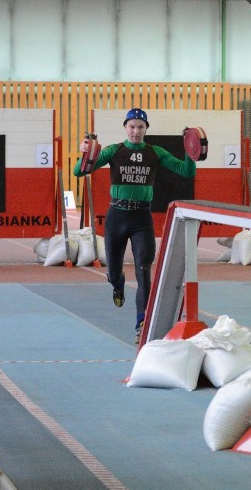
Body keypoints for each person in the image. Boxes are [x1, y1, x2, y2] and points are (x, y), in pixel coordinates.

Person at [73, 108, 197, 343]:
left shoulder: (155, 152)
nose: (136, 131)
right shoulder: (114, 150)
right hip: (116, 218)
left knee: (143, 271)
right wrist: (85, 154)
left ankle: (142, 323)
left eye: (140, 127)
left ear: (146, 129)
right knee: (112, 272)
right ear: (125, 127)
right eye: (132, 126)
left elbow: (185, 172)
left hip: (141, 219)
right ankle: (117, 284)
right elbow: (79, 171)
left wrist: (190, 150)